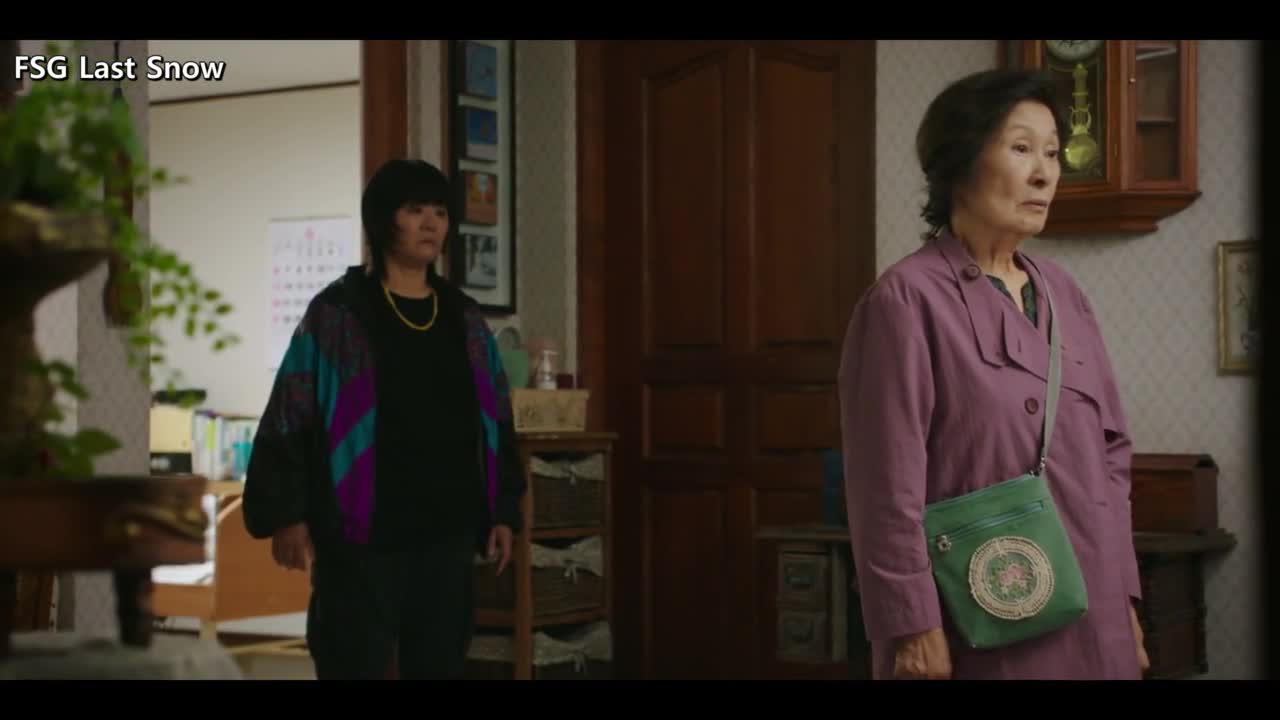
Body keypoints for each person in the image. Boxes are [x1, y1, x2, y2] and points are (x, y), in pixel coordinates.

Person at [837, 69, 1150, 680]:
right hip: (988, 615)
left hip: (1097, 611)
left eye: (1053, 153)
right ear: (959, 161)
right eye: (1021, 148)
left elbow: (1113, 457)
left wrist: (1126, 600)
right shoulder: (905, 300)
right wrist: (911, 624)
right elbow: (884, 486)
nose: (1045, 173)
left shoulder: (1065, 293)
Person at [242, 158, 526, 680]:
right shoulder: (339, 313)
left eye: (440, 212)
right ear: (382, 219)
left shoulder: (464, 316)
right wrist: (286, 514)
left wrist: (503, 511)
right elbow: (291, 412)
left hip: (448, 531)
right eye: (414, 210)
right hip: (361, 534)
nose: (430, 224)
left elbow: (497, 421)